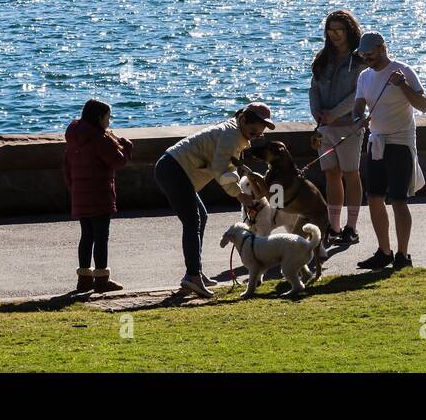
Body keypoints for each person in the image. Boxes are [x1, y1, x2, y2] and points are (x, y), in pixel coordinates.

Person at [154, 101, 275, 299]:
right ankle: (192, 276)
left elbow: (225, 164)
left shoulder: (235, 130)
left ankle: (195, 272)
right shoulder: (232, 135)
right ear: (243, 120)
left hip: (174, 168)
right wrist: (239, 194)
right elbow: (222, 170)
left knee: (200, 216)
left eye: (258, 134)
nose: (254, 137)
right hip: (174, 170)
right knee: (193, 221)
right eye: (253, 132)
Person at [351, 32, 426, 271]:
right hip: (376, 143)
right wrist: (358, 119)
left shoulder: (403, 70)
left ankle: (403, 255)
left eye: (370, 53)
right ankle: (384, 251)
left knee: (398, 199)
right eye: (363, 55)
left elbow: (423, 105)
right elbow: (357, 107)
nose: (367, 58)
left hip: (400, 143)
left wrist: (402, 84)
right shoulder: (364, 76)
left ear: (383, 48)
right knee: (374, 197)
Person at [62, 98, 134, 293]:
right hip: (100, 195)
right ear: (99, 118)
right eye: (108, 117)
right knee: (101, 237)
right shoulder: (99, 139)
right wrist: (127, 147)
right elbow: (118, 161)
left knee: (86, 236)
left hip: (80, 195)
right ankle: (101, 279)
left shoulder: (74, 137)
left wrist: (74, 188)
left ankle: (84, 279)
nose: (109, 122)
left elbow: (67, 167)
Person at [309, 10, 368, 244]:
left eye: (339, 30)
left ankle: (351, 227)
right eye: (330, 30)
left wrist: (335, 113)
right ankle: (333, 226)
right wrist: (317, 112)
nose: (334, 35)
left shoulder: (360, 60)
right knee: (331, 174)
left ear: (349, 31)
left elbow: (359, 94)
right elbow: (314, 87)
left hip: (349, 127)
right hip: (325, 127)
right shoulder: (322, 58)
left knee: (351, 174)